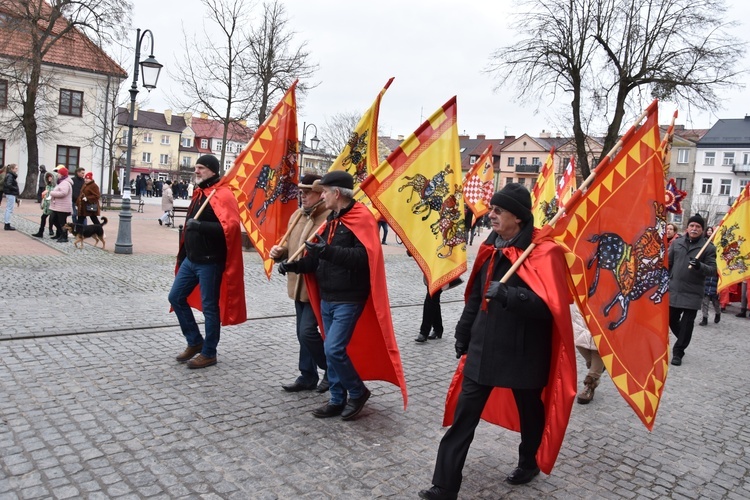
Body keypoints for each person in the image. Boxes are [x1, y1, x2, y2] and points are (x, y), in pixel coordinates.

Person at [419, 183, 573, 499]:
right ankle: (444, 484)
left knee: (530, 412)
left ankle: (528, 462)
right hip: (484, 347)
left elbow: (551, 309)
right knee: (463, 418)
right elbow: (475, 297)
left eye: (498, 210)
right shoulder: (490, 248)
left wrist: (512, 295)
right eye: (492, 209)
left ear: (517, 217)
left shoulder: (544, 251)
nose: (491, 215)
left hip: (524, 350)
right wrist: (463, 334)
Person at [277, 171, 375, 420]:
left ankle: (358, 391)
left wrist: (327, 251)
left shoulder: (361, 217)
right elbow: (318, 259)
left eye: (324, 192)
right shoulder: (331, 218)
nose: (322, 196)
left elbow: (363, 259)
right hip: (327, 295)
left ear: (337, 193)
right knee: (332, 353)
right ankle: (336, 399)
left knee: (333, 349)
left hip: (349, 297)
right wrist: (295, 265)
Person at [168, 154, 246, 369]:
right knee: (175, 297)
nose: (197, 171)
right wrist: (184, 252)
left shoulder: (223, 195)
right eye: (196, 167)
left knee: (210, 308)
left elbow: (230, 229)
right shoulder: (200, 193)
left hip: (210, 262)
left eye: (201, 168)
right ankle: (195, 341)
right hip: (191, 259)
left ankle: (209, 352)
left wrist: (199, 227)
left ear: (212, 170)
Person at [270, 173, 330, 393]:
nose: (302, 197)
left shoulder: (329, 216)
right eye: (301, 193)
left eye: (307, 193)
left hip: (316, 286)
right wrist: (279, 252)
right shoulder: (297, 215)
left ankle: (332, 370)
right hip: (297, 285)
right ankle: (307, 374)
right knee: (300, 333)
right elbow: (290, 247)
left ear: (320, 193)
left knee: (307, 332)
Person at [668, 213, 717, 366]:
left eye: (698, 227)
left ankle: (678, 352)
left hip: (693, 292)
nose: (694, 229)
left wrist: (700, 266)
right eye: (692, 226)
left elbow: (712, 270)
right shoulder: (677, 243)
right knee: (671, 320)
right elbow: (668, 264)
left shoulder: (708, 247)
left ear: (702, 230)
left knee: (687, 324)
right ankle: (683, 338)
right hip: (674, 289)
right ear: (687, 228)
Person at [573, 303, 604, 404]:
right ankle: (597, 366)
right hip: (579, 300)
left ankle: (590, 383)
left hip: (601, 300)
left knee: (598, 345)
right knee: (578, 339)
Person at [49, 166, 73, 242]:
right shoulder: (61, 182)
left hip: (63, 206)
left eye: (59, 173)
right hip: (58, 206)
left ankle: (64, 236)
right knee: (54, 219)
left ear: (62, 174)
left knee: (62, 221)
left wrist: (51, 193)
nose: (57, 174)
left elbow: (63, 193)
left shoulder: (65, 183)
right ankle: (59, 234)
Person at [32, 171, 57, 238]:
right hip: (47, 205)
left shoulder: (55, 187)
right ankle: (41, 232)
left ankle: (55, 231)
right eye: (48, 177)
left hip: (53, 205)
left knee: (53, 219)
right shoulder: (48, 186)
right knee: (43, 217)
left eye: (51, 177)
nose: (49, 178)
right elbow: (46, 196)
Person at [3, 163, 19, 230]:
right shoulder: (10, 175)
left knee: (8, 209)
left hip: (10, 193)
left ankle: (7, 223)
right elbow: (8, 184)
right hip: (10, 193)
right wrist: (15, 188)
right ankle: (7, 224)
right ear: (12, 169)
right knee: (9, 209)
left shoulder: (10, 175)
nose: (17, 170)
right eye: (16, 168)